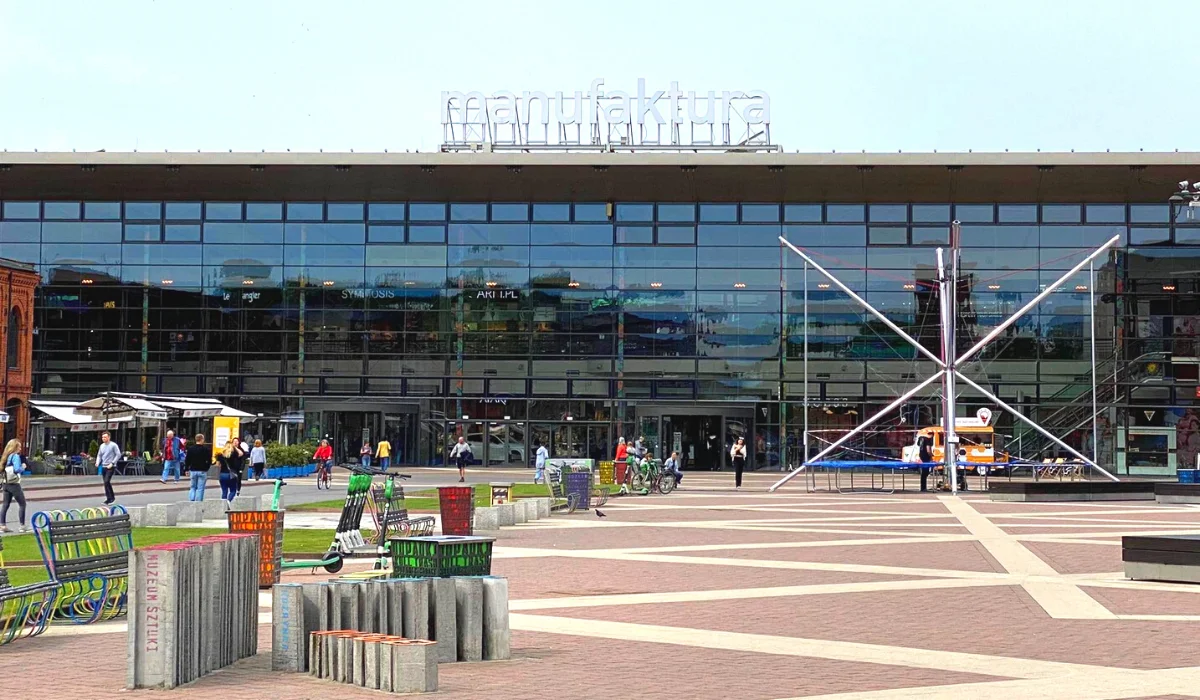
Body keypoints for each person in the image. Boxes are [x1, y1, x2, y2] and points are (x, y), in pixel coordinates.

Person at [1, 439, 29, 533]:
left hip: (6, 483)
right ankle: (22, 526)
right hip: (14, 484)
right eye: (19, 447)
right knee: (22, 504)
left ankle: (2, 525)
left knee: (5, 504)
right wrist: (23, 467)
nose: (20, 449)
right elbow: (17, 470)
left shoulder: (6, 456)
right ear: (14, 447)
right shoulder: (15, 456)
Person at [184, 433, 213, 501]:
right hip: (202, 470)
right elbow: (209, 460)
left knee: (193, 487)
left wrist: (186, 469)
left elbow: (187, 460)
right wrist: (206, 468)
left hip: (193, 470)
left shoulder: (191, 449)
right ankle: (198, 502)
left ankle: (192, 499)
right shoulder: (206, 449)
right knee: (200, 488)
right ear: (202, 439)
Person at [96, 431, 122, 505]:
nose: (103, 438)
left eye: (105, 437)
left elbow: (118, 454)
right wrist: (97, 462)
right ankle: (108, 498)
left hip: (111, 466)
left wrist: (112, 463)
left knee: (107, 481)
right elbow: (99, 455)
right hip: (104, 466)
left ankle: (112, 498)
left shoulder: (113, 445)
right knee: (105, 483)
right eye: (102, 437)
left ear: (109, 437)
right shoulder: (102, 446)